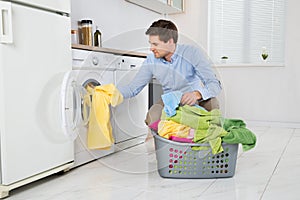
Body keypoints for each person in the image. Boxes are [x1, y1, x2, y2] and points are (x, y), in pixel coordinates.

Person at [118, 19, 222, 126]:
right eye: (150, 44)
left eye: (155, 44)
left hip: (192, 100)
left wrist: (196, 94)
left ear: (170, 41)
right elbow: (132, 88)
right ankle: (163, 142)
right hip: (169, 102)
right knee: (152, 117)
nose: (151, 48)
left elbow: (214, 84)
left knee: (213, 103)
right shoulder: (151, 60)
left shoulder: (192, 53)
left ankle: (205, 138)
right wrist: (107, 92)